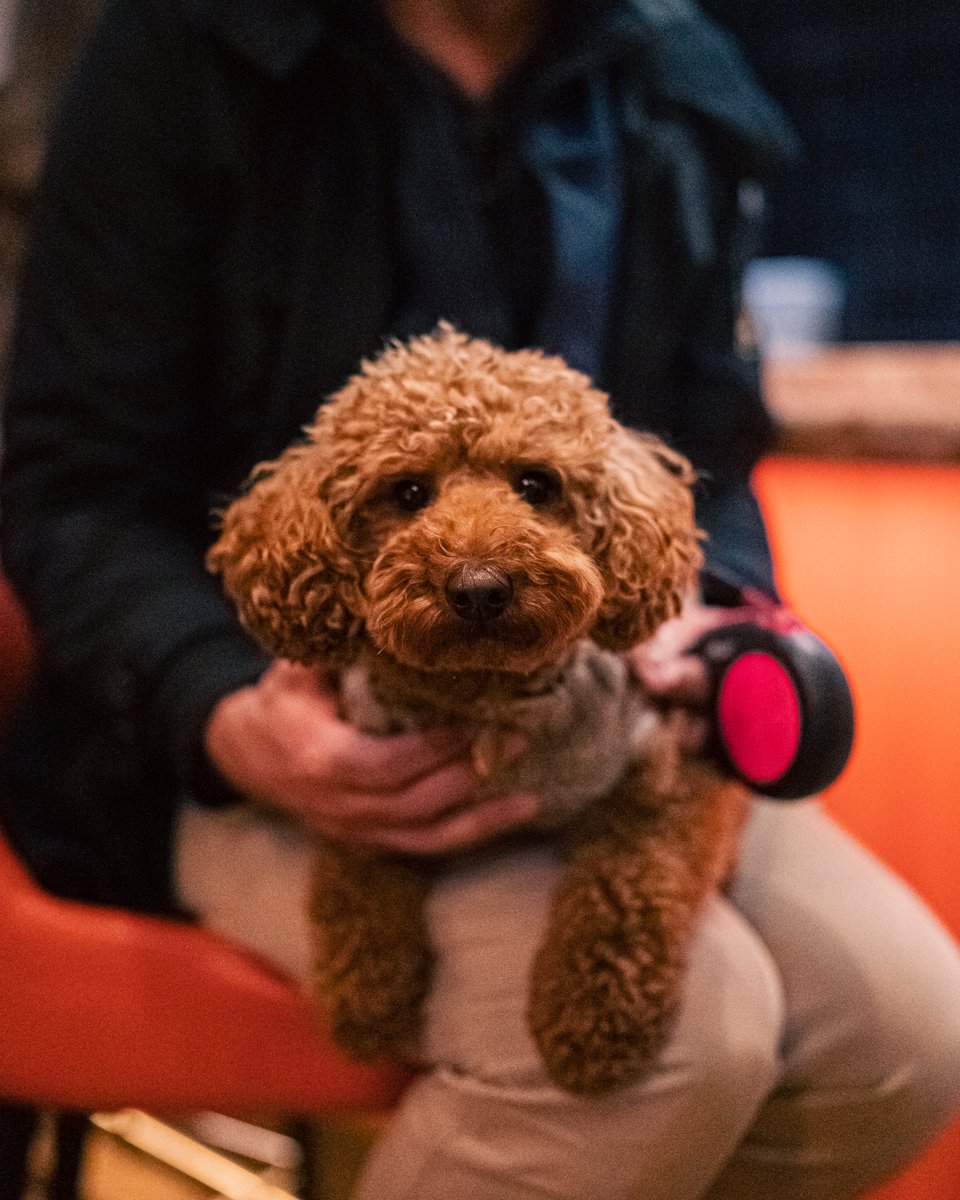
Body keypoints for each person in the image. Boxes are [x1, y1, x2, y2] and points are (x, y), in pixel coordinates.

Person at [2, 1, 960, 1197]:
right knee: (677, 1040)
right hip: (230, 728)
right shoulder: (190, 54)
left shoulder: (673, 76)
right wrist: (224, 708)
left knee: (907, 1037)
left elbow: (712, 451)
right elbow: (70, 489)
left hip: (594, 708)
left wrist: (708, 607)